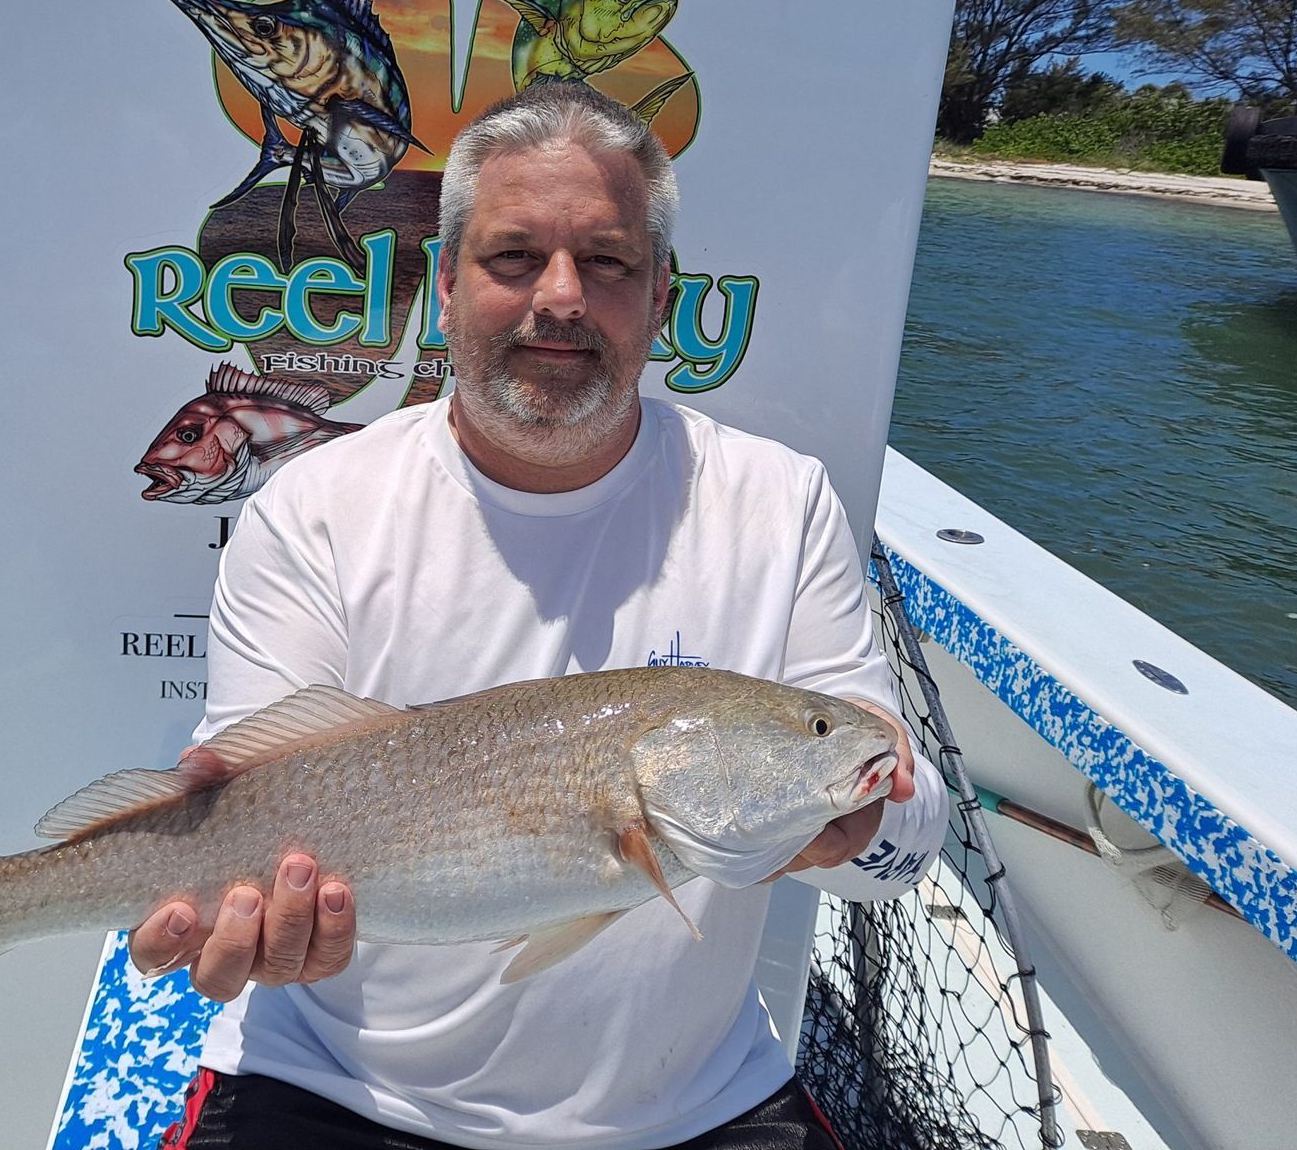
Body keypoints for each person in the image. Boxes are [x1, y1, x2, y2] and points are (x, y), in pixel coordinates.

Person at [132, 80, 948, 1149]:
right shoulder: (312, 507)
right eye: (513, 258)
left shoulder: (780, 502)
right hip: (336, 1087)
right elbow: (242, 784)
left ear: (661, 296)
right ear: (448, 285)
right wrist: (250, 921)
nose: (560, 297)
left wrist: (869, 818)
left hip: (692, 1105)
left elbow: (911, 835)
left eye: (607, 263)